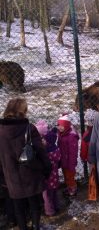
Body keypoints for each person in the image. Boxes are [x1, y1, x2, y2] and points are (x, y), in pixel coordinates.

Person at [0, 98, 51, 230]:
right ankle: (35, 226)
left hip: (11, 176)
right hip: (31, 174)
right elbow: (40, 151)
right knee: (34, 204)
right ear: (23, 111)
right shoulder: (29, 128)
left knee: (18, 206)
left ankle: (22, 227)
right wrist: (46, 168)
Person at [35, 121, 61, 216]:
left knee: (46, 196)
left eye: (43, 139)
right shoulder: (56, 149)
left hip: (47, 178)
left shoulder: (46, 153)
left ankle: (49, 211)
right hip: (54, 177)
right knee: (54, 193)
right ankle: (57, 206)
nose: (42, 141)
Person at [57, 115, 79, 197]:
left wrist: (72, 164)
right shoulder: (61, 134)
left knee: (70, 177)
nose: (59, 127)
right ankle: (69, 187)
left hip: (69, 162)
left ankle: (73, 190)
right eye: (58, 125)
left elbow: (73, 153)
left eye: (61, 126)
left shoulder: (71, 137)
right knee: (66, 176)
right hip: (64, 161)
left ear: (66, 126)